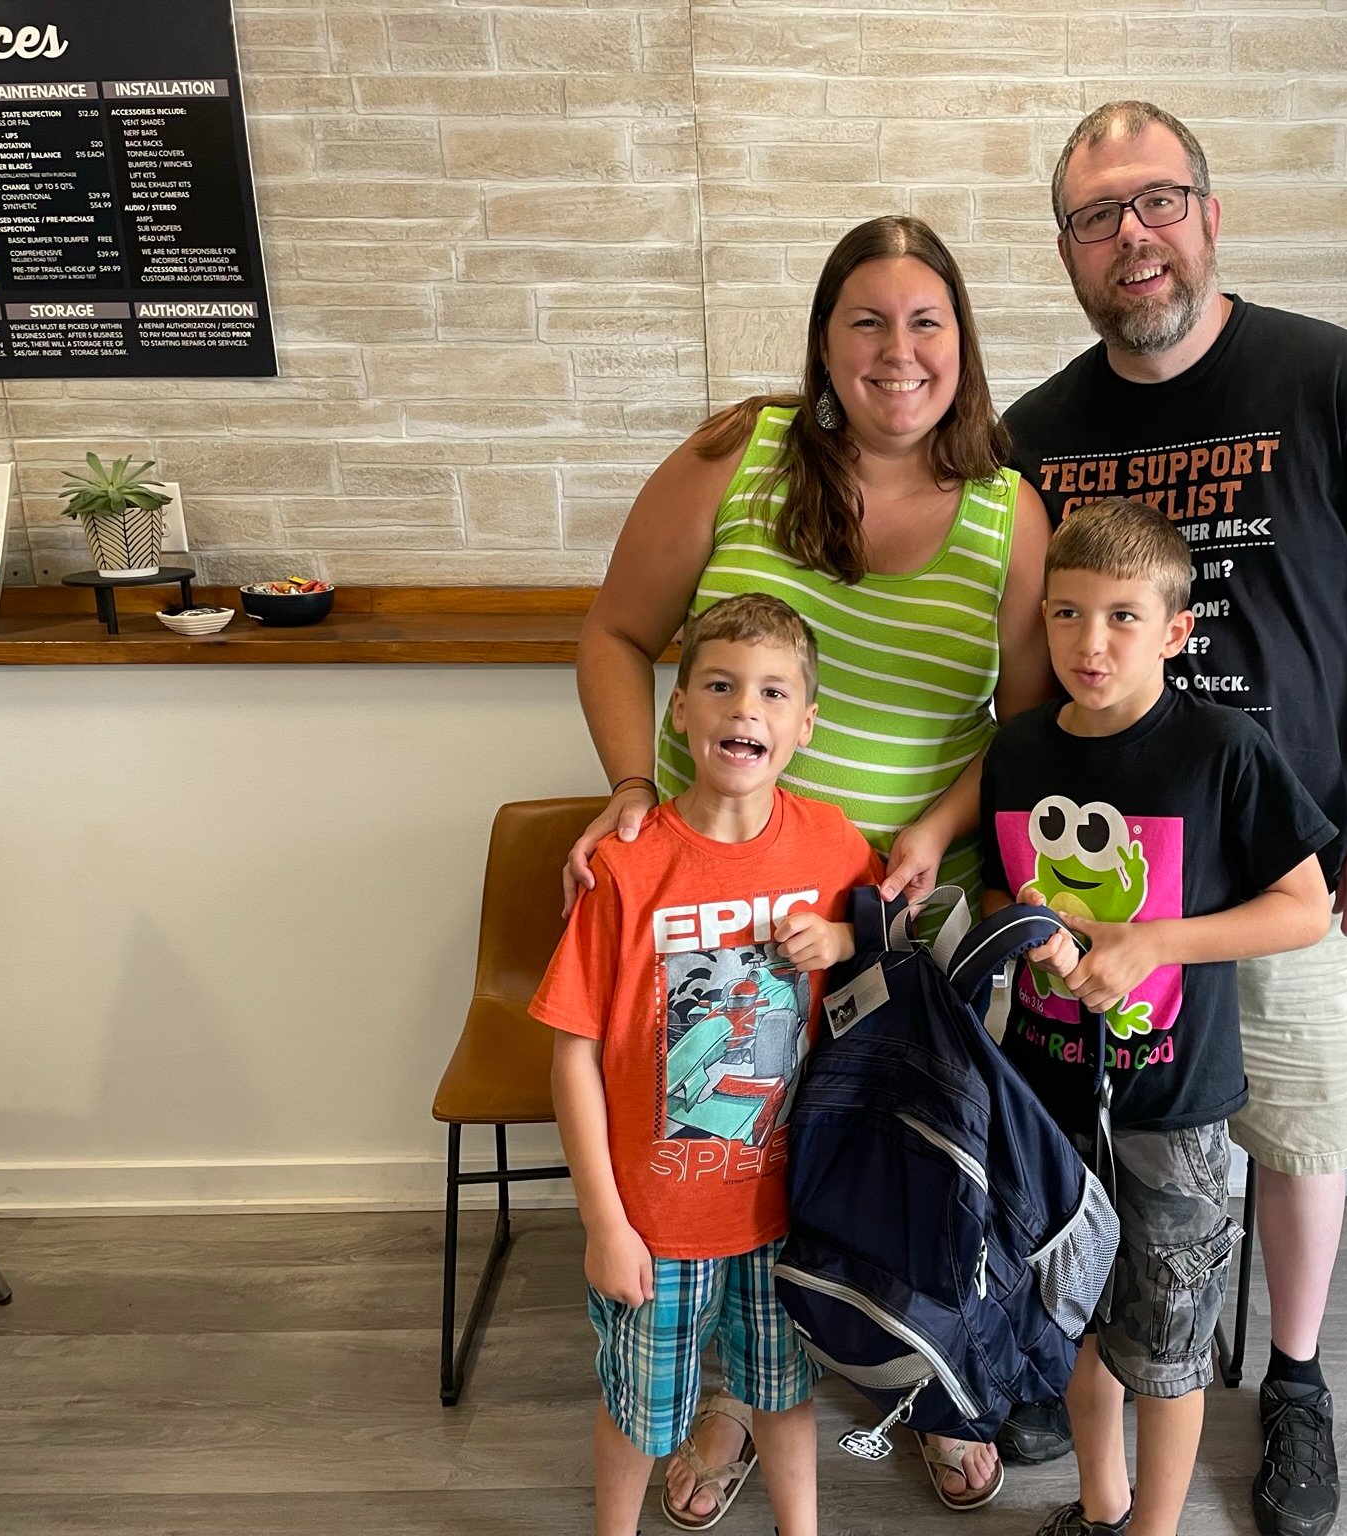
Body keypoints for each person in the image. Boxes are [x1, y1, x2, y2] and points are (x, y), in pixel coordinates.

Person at [1001, 103, 1347, 1536]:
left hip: (1294, 861)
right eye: (1098, 216)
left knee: (1299, 1132)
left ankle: (1294, 1379)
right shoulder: (1036, 434)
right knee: (1119, 1153)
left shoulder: (1332, 378)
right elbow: (1027, 663)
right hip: (1103, 890)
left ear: (1209, 217)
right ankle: (1104, 1355)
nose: (1132, 237)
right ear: (1068, 252)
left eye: (1157, 202)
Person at [564, 215, 1052, 1517]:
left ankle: (927, 1382)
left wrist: (935, 831)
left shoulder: (1008, 511)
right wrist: (631, 787)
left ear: (962, 341)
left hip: (900, 923)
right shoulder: (738, 454)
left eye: (926, 321)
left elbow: (1025, 730)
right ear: (824, 341)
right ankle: (730, 1398)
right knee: (734, 1158)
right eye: (866, 321)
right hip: (722, 917)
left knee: (911, 1173)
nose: (899, 350)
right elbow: (615, 632)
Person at [980, 500, 1335, 1536]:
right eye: (1066, 614)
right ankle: (1102, 1508)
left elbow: (1304, 909)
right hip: (1044, 1099)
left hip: (1173, 1108)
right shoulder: (1017, 750)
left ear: (1177, 630)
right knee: (1077, 1325)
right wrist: (1032, 931)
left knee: (1169, 1344)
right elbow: (1001, 887)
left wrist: (1153, 942)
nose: (1089, 643)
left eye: (1122, 617)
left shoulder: (1221, 750)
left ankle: (1154, 1529)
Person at [534, 595, 882, 1536]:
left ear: (805, 725)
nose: (745, 709)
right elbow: (573, 1054)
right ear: (679, 709)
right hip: (656, 1223)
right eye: (721, 686)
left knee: (783, 1389)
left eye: (773, 692)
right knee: (642, 1411)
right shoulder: (625, 866)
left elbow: (891, 942)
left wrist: (843, 936)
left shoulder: (832, 842)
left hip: (786, 1211)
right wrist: (604, 1223)